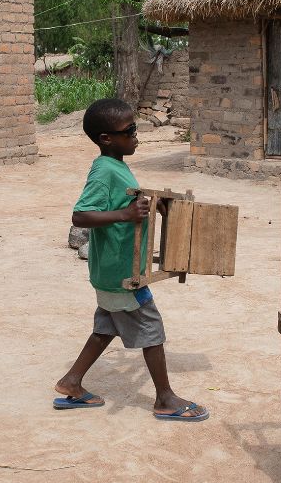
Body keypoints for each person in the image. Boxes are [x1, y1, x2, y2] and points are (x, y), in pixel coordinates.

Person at [54, 98, 208, 422]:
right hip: (123, 274)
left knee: (105, 328)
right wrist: (125, 214)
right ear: (105, 139)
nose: (137, 135)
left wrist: (150, 207)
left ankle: (71, 382)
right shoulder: (103, 171)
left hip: (111, 272)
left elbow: (127, 204)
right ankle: (165, 398)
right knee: (151, 328)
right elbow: (80, 215)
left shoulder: (116, 165)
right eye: (130, 130)